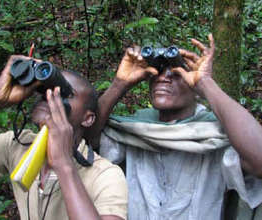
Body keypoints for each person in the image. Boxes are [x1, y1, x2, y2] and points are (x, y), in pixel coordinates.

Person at [86, 34, 262, 220]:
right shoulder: (135, 129)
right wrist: (119, 84)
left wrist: (206, 83)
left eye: (177, 74)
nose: (164, 78)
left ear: (196, 91)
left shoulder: (213, 135)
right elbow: (85, 141)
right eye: (158, 71)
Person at [0, 55, 128, 220]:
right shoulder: (18, 144)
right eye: (46, 89)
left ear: (87, 118)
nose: (50, 96)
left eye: (65, 93)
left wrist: (64, 165)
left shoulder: (105, 175)